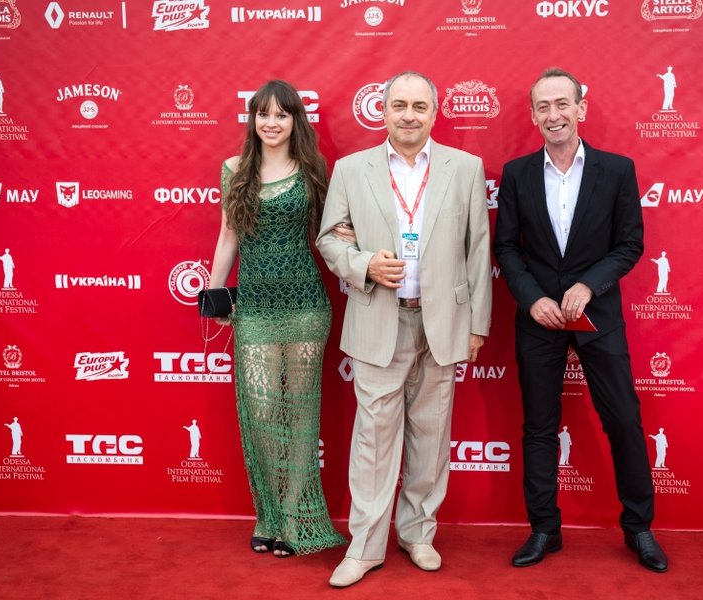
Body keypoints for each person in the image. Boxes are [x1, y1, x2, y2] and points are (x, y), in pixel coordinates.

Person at [316, 71, 491, 587]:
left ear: (434, 113)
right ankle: (365, 546)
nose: (409, 115)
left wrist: (477, 324)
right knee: (373, 439)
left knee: (431, 437)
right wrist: (364, 263)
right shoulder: (351, 169)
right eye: (399, 105)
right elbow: (330, 239)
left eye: (419, 106)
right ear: (384, 111)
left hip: (444, 323)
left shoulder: (465, 167)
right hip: (378, 320)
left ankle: (418, 534)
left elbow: (478, 249)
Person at [493, 67, 668, 573]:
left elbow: (630, 244)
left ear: (580, 109)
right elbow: (507, 247)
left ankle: (639, 528)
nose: (554, 115)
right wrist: (532, 299)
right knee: (540, 427)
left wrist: (589, 285)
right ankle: (544, 529)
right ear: (533, 116)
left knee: (624, 420)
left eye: (562, 104)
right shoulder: (517, 174)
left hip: (599, 316)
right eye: (543, 107)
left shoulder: (617, 170)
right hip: (539, 319)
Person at [206, 79, 345, 558]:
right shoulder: (234, 170)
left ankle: (292, 517)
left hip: (306, 305)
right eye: (263, 114)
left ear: (294, 120)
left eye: (281, 114)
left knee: (301, 415)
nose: (271, 122)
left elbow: (331, 232)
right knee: (264, 414)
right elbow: (228, 236)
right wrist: (215, 294)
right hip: (256, 308)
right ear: (253, 119)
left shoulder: (313, 168)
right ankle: (267, 514)